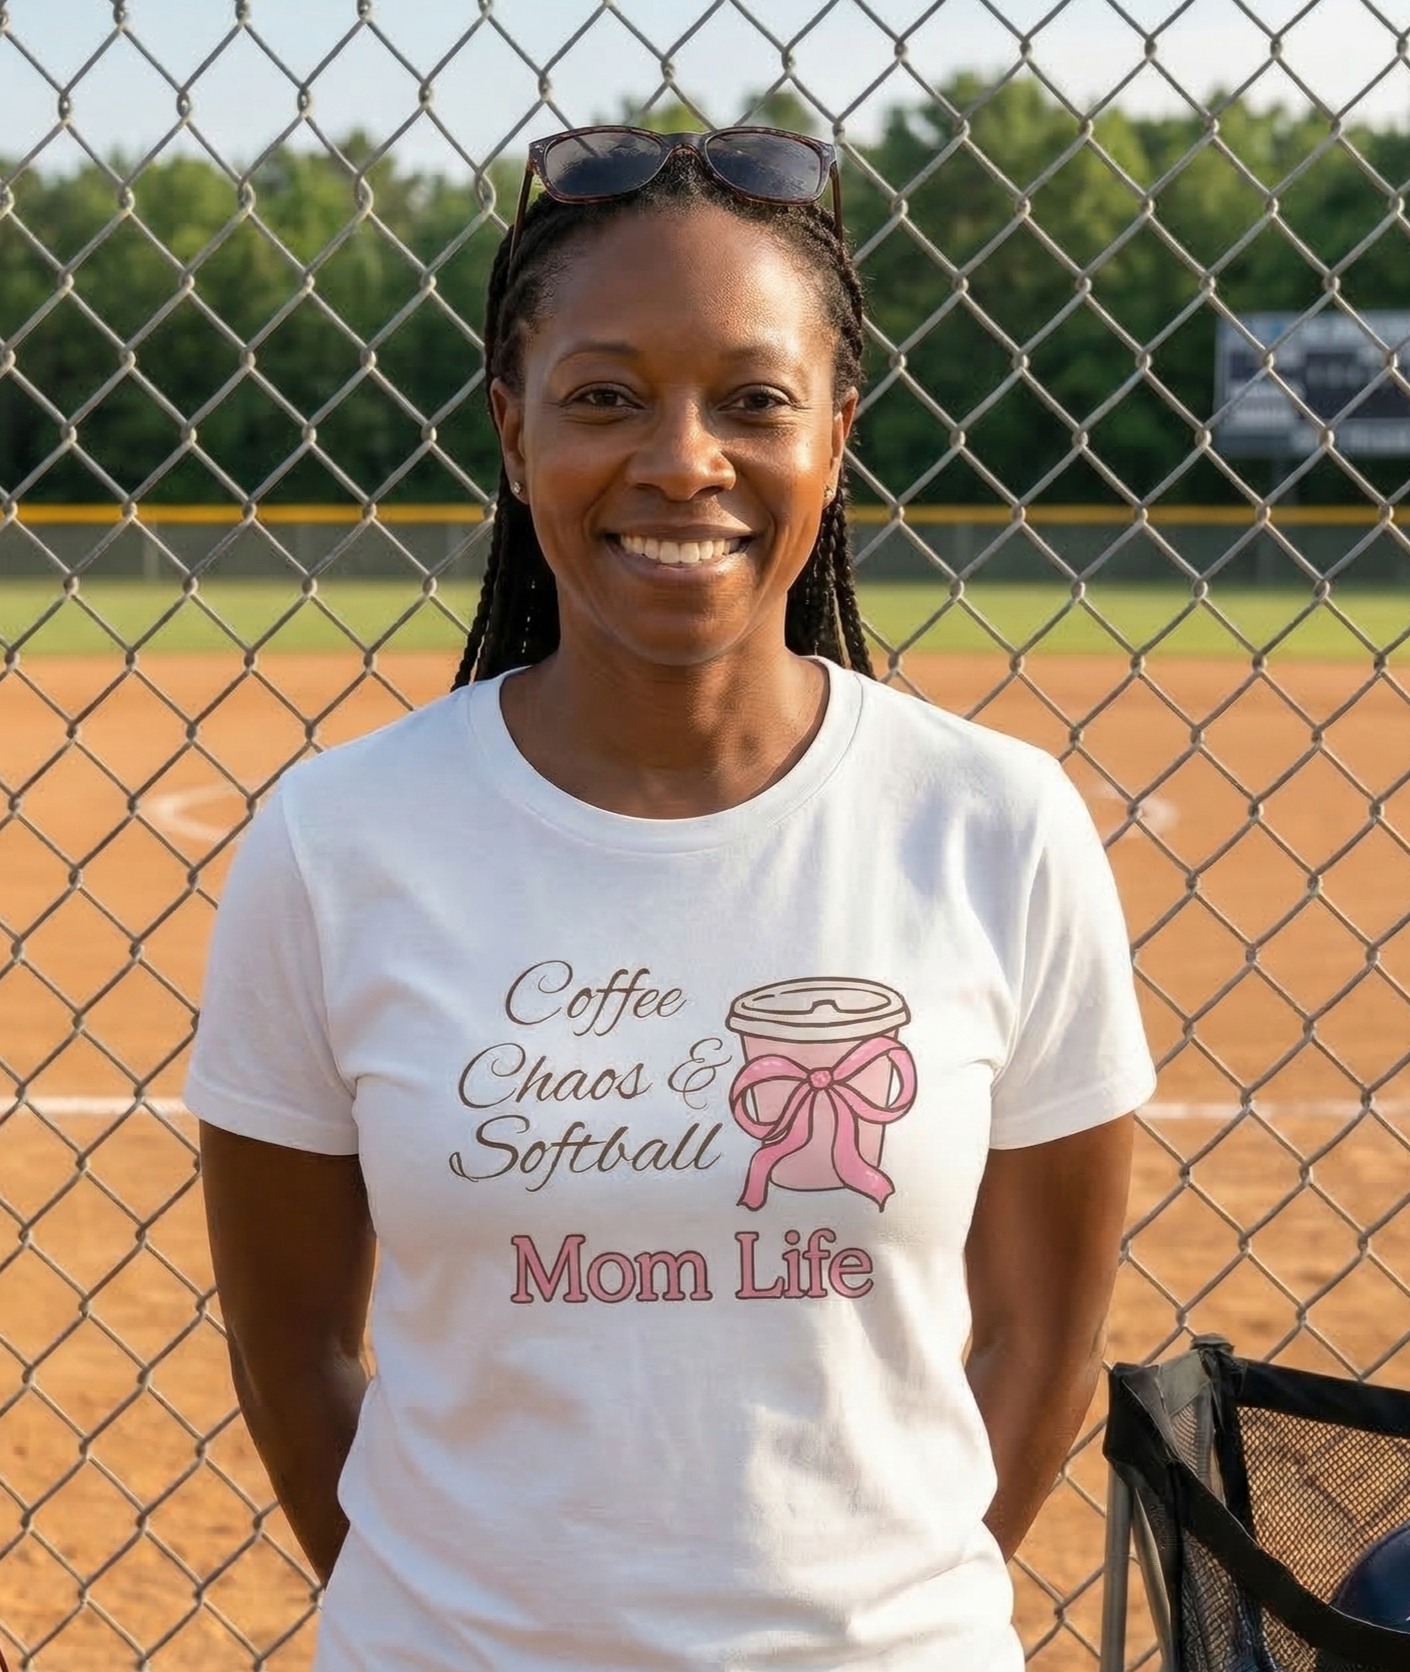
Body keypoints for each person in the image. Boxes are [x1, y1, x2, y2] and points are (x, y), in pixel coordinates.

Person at [189, 126, 1156, 1672]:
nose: (681, 460)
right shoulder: (339, 839)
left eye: (754, 401)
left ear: (834, 437)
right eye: (604, 398)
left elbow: (1043, 1346)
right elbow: (291, 1356)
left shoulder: (995, 824)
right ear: (512, 433)